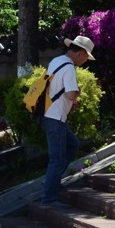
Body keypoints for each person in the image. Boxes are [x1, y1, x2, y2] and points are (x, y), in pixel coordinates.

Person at [39, 35, 94, 207]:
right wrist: (77, 92)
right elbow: (70, 94)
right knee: (57, 159)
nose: (85, 61)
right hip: (55, 118)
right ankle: (48, 199)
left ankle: (52, 180)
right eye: (86, 57)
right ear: (82, 53)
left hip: (48, 115)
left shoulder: (56, 60)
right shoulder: (69, 67)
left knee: (72, 145)